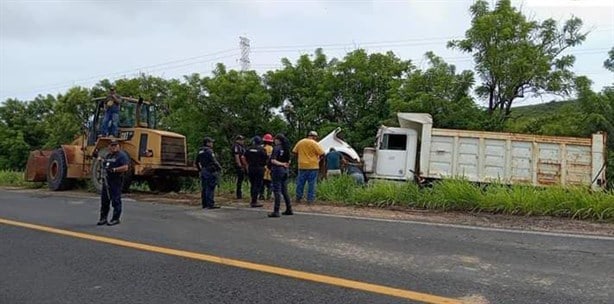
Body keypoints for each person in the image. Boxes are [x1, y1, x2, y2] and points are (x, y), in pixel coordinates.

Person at [97, 139, 129, 226]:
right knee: (105, 200)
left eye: (115, 145)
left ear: (118, 146)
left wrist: (115, 170)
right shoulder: (108, 156)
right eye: (112, 145)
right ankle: (103, 218)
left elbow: (125, 167)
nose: (114, 147)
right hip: (107, 181)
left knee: (115, 200)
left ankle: (115, 219)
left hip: (116, 180)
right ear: (109, 147)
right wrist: (101, 161)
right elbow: (105, 166)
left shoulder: (122, 156)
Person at [292, 130, 325, 204]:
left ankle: (298, 198)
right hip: (313, 166)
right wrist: (319, 160)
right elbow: (322, 153)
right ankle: (310, 200)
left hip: (302, 166)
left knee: (300, 183)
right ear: (314, 137)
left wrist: (300, 158)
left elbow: (294, 152)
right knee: (312, 184)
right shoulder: (314, 143)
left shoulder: (300, 142)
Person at [268, 134, 293, 218]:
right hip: (285, 170)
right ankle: (289, 208)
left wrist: (281, 164)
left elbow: (273, 160)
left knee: (277, 190)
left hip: (277, 170)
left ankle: (276, 210)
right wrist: (285, 165)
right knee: (284, 190)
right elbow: (289, 160)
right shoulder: (286, 148)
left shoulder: (277, 148)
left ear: (278, 140)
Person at [196, 137, 222, 209]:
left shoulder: (200, 151)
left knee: (204, 188)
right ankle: (210, 204)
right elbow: (214, 160)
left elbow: (196, 162)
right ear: (207, 143)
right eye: (211, 142)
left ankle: (204, 204)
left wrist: (200, 170)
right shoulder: (209, 151)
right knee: (210, 187)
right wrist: (219, 167)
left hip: (203, 170)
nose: (212, 143)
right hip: (210, 170)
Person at [243, 136, 266, 208]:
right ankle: (254, 201)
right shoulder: (262, 149)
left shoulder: (248, 149)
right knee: (257, 184)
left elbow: (243, 157)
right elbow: (265, 159)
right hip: (259, 168)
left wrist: (246, 165)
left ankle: (253, 199)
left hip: (251, 168)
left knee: (252, 184)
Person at [231, 135, 247, 199]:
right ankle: (238, 194)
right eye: (241, 140)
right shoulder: (236, 146)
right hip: (239, 165)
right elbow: (236, 155)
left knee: (241, 179)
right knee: (240, 179)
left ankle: (240, 193)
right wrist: (239, 164)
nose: (243, 141)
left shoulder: (241, 146)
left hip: (242, 164)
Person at [260, 133, 274, 200]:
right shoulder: (272, 149)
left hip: (262, 167)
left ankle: (261, 195)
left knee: (262, 183)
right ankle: (269, 196)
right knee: (269, 183)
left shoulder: (262, 148)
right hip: (270, 168)